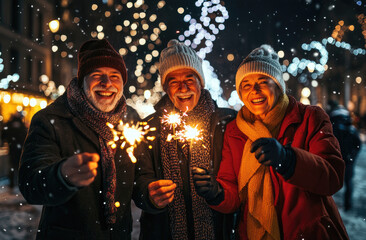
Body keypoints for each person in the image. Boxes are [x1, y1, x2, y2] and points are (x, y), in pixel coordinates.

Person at [192, 44, 349, 239]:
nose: (255, 91)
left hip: (308, 233)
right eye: (246, 85)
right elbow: (234, 194)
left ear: (278, 85)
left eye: (263, 81)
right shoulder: (235, 130)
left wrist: (288, 159)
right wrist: (216, 192)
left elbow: (332, 178)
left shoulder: (310, 118)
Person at [18, 39, 138, 240]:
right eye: (97, 75)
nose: (107, 83)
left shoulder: (131, 119)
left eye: (114, 76)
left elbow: (141, 175)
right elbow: (31, 185)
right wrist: (62, 176)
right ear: (83, 80)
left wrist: (150, 194)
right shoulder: (51, 119)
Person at [133, 39, 237, 240]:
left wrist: (217, 191)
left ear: (201, 83)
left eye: (190, 79)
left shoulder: (226, 122)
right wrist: (149, 194)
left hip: (219, 232)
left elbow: (239, 182)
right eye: (173, 81)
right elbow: (138, 180)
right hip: (163, 233)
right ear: (165, 88)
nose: (183, 87)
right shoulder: (149, 128)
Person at [327, 99, 361, 211]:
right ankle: (347, 205)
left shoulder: (332, 126)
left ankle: (328, 207)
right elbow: (358, 144)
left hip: (336, 157)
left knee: (328, 181)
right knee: (348, 181)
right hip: (347, 158)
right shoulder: (350, 128)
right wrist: (352, 156)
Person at [1, 111, 27, 191]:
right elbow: (25, 136)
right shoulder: (21, 125)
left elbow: (4, 134)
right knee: (19, 167)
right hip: (20, 150)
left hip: (12, 149)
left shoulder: (9, 124)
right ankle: (18, 184)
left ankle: (12, 184)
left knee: (12, 166)